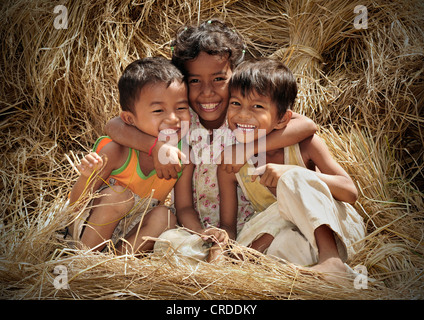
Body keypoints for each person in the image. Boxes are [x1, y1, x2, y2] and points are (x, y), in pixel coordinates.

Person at [104, 20, 317, 255]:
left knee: (280, 238)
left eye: (218, 79)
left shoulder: (244, 116)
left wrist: (248, 149)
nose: (207, 92)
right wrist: (155, 148)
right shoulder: (181, 122)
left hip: (248, 227)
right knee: (170, 248)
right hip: (191, 228)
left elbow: (307, 125)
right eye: (194, 81)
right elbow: (113, 125)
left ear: (235, 76)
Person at [217, 58, 366, 279]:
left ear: (282, 119)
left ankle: (331, 261)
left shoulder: (305, 145)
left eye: (257, 106)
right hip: (291, 239)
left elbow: (350, 193)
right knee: (282, 245)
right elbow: (228, 226)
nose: (243, 115)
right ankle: (329, 278)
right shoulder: (231, 164)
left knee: (292, 179)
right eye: (236, 103)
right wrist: (219, 244)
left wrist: (294, 174)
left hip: (337, 231)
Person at [67, 57, 194, 254]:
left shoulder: (182, 156)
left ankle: (115, 266)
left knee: (166, 216)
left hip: (129, 232)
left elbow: (183, 206)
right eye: (159, 110)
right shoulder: (116, 151)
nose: (173, 118)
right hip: (89, 228)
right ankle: (84, 260)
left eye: (181, 108)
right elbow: (76, 204)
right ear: (129, 119)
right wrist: (85, 177)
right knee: (119, 195)